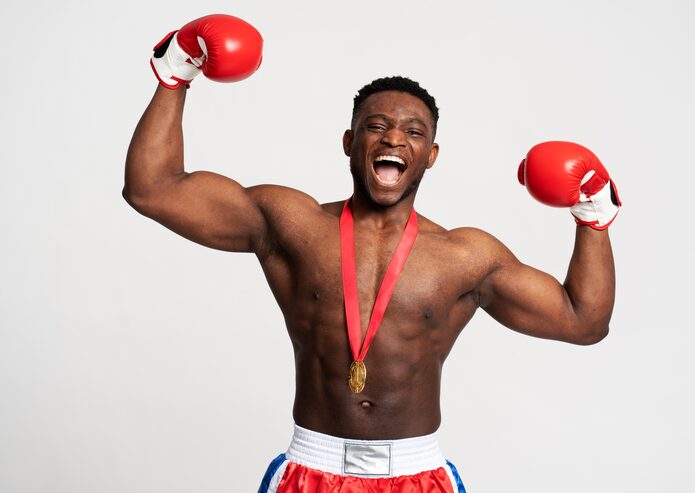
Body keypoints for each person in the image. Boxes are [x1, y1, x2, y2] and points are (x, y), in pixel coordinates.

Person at [124, 15, 620, 493]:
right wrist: (175, 72)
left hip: (418, 474)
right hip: (310, 469)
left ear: (431, 155)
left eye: (414, 132)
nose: (394, 138)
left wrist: (593, 215)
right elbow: (153, 189)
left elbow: (583, 321)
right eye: (376, 126)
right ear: (350, 142)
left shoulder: (465, 255)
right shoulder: (293, 224)